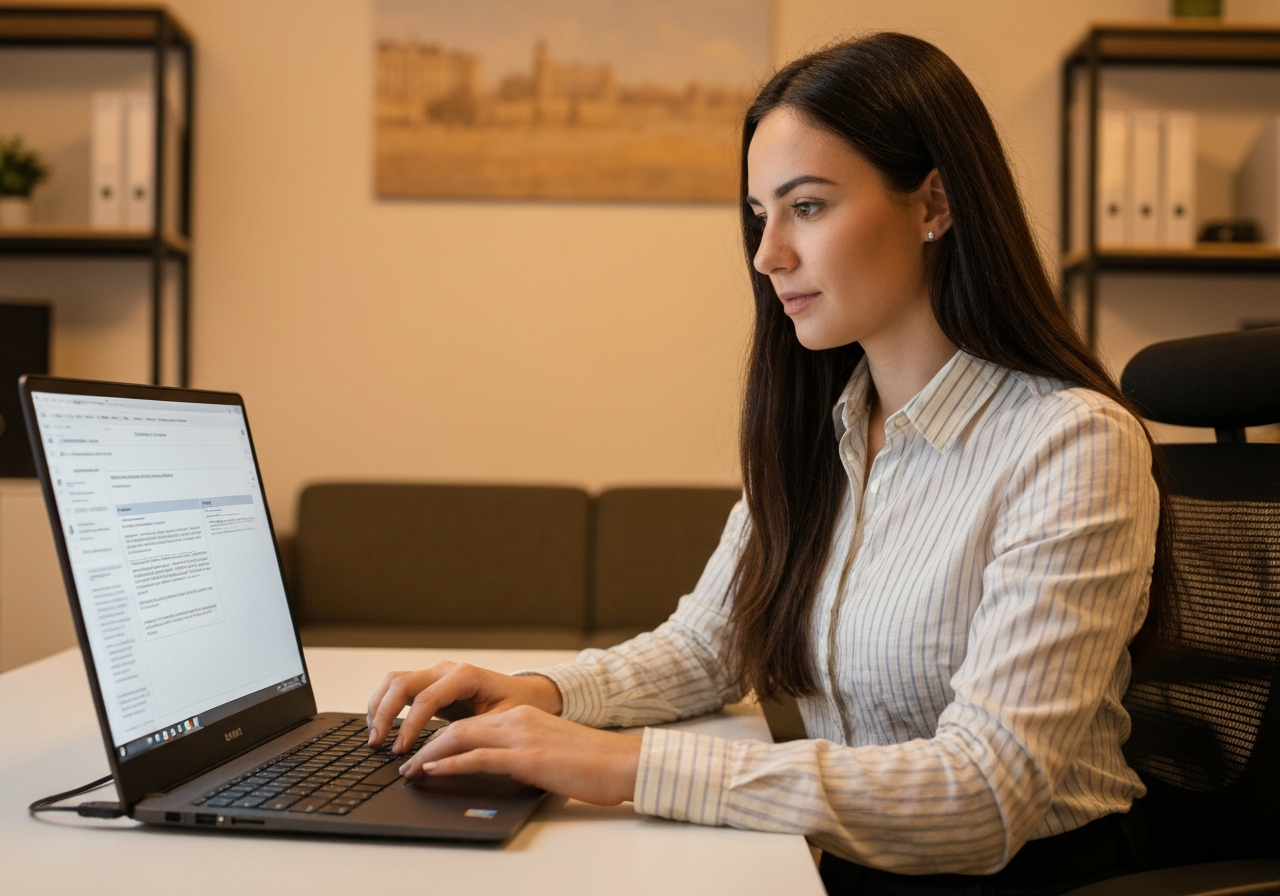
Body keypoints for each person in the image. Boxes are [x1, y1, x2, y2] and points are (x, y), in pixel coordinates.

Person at [365, 32, 1172, 895]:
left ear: (934, 203)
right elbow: (711, 646)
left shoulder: (1071, 445)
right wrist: (539, 695)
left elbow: (984, 793)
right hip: (837, 865)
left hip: (1032, 876)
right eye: (760, 215)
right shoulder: (820, 430)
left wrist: (627, 767)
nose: (768, 254)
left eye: (809, 207)